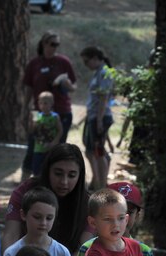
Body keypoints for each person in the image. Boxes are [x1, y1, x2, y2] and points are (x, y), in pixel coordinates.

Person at [22, 31, 77, 177]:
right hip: (38, 112)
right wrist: (26, 108)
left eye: (57, 44)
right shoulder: (34, 63)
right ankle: (25, 181)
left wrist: (67, 85)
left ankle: (51, 181)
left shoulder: (64, 62)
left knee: (57, 150)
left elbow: (74, 86)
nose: (55, 47)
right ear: (44, 44)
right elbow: (28, 88)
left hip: (61, 111)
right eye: (53, 44)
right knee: (33, 147)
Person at [80, 46, 115, 190]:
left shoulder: (104, 72)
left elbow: (104, 97)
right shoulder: (98, 73)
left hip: (100, 117)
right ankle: (97, 181)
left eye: (86, 61)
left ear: (95, 58)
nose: (85, 65)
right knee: (90, 150)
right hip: (93, 117)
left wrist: (99, 120)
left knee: (98, 152)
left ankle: (101, 187)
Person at [31, 91, 62, 176]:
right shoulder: (37, 116)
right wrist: (33, 123)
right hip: (38, 148)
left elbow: (60, 130)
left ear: (51, 103)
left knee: (49, 169)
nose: (42, 106)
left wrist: (55, 142)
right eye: (40, 103)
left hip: (50, 148)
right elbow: (33, 131)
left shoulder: (55, 116)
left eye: (45, 103)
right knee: (36, 170)